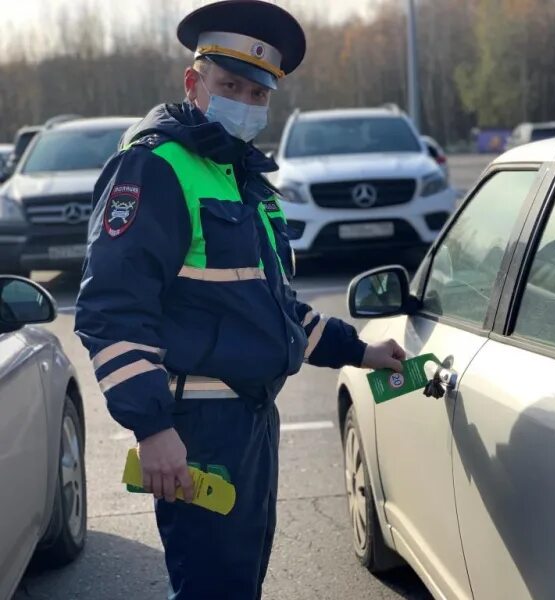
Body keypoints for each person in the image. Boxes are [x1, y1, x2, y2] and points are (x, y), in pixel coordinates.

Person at [74, 2, 406, 598]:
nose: (246, 104)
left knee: (238, 585)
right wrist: (152, 429)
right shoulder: (155, 168)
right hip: (196, 429)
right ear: (192, 81)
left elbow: (271, 309)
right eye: (230, 86)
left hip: (252, 421)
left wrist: (359, 350)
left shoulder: (245, 180)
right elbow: (111, 310)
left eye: (259, 93)